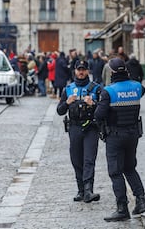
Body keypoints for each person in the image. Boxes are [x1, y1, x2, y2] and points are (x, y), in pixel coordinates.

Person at [94, 57, 145, 222]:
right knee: (130, 168)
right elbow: (142, 91)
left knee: (115, 172)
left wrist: (97, 102)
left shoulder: (108, 91)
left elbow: (99, 115)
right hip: (133, 134)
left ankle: (122, 208)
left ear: (112, 72)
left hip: (115, 136)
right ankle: (141, 200)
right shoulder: (137, 87)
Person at [57, 60, 102, 203]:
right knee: (76, 159)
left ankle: (89, 190)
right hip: (75, 128)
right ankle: (81, 190)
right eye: (79, 69)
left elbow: (104, 110)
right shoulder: (68, 89)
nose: (81, 72)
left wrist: (93, 104)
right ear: (75, 71)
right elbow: (59, 110)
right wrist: (67, 102)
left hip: (91, 128)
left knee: (89, 159)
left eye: (83, 69)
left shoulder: (97, 88)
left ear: (88, 71)